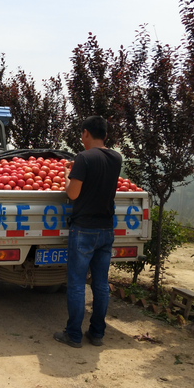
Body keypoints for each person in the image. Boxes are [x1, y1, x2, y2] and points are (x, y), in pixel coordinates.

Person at [54, 115, 122, 348]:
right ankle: (97, 333)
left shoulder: (83, 158)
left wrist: (66, 176)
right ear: (106, 135)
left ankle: (73, 335)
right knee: (101, 284)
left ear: (85, 133)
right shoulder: (116, 158)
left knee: (76, 284)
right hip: (106, 229)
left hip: (84, 230)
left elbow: (73, 193)